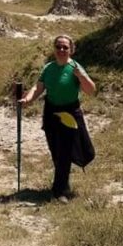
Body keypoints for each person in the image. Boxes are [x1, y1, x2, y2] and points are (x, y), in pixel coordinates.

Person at [19, 35, 96, 203]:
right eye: (59, 47)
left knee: (65, 152)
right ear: (54, 49)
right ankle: (64, 184)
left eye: (65, 48)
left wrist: (81, 76)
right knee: (55, 151)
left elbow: (91, 90)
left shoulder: (75, 67)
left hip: (69, 113)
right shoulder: (48, 68)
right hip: (51, 112)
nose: (61, 50)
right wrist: (27, 99)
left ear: (71, 50)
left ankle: (59, 191)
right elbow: (38, 88)